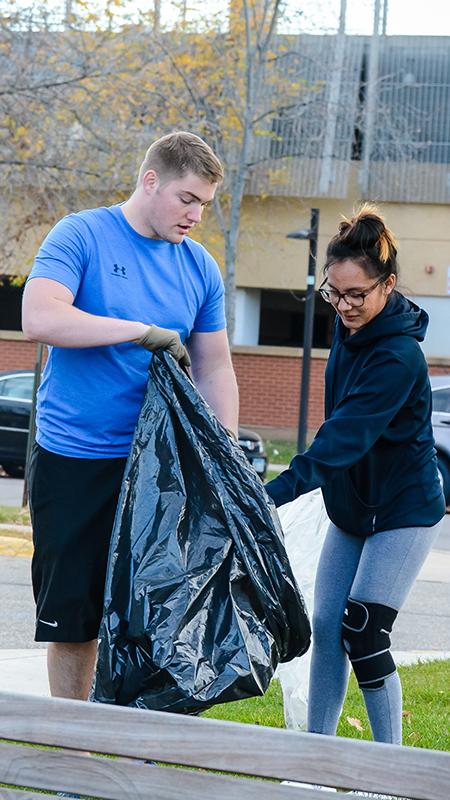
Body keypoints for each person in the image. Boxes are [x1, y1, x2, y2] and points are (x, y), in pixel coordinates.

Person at [22, 130, 239, 702]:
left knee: (155, 615)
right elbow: (41, 317)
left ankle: (137, 744)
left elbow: (215, 367)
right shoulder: (82, 235)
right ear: (151, 181)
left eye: (205, 205)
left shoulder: (199, 268)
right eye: (186, 199)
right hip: (77, 458)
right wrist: (139, 332)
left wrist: (228, 453)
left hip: (162, 472)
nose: (195, 215)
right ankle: (77, 748)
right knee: (76, 615)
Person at [265, 205, 445, 745]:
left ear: (387, 285)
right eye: (333, 293)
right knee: (325, 630)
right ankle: (316, 759)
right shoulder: (349, 328)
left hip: (403, 510)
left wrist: (265, 495)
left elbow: (343, 438)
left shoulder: (398, 357)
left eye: (356, 295)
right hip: (351, 508)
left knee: (364, 632)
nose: (343, 306)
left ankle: (390, 767)